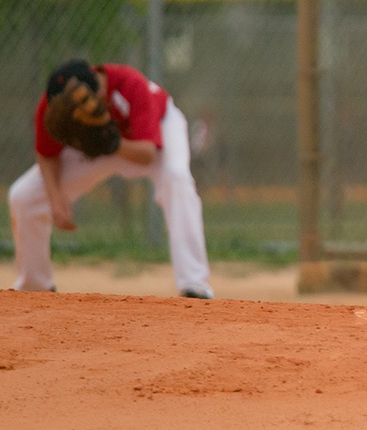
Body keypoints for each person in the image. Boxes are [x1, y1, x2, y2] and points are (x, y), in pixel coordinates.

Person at [8, 59, 214, 299]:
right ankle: (35, 287)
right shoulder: (51, 103)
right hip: (97, 146)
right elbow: (46, 153)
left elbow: (147, 154)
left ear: (100, 89)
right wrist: (54, 198)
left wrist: (109, 140)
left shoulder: (131, 85)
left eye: (82, 101)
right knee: (24, 196)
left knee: (177, 178)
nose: (71, 109)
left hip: (154, 133)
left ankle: (194, 286)